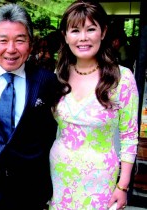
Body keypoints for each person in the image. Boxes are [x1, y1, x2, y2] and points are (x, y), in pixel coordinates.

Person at [0, 4, 58, 210]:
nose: (11, 49)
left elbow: (49, 131)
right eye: (3, 40)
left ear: (30, 44)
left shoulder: (46, 80)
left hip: (31, 185)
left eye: (20, 40)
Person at [49, 1, 139, 210]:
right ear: (65, 35)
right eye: (75, 30)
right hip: (60, 174)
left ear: (103, 32)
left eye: (90, 29)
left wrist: (123, 186)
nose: (83, 38)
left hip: (100, 179)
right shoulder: (58, 75)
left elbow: (129, 136)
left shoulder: (121, 78)